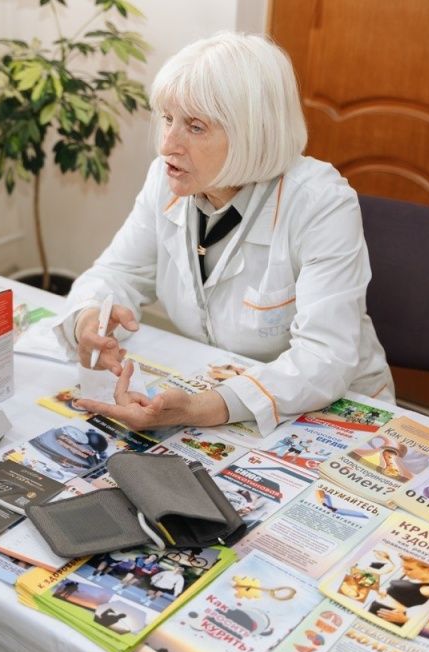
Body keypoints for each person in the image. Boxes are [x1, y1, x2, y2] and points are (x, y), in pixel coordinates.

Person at [56, 32, 394, 436]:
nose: (167, 145)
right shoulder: (166, 180)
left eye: (195, 127)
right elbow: (118, 273)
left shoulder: (320, 203)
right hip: (224, 398)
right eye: (167, 118)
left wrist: (201, 408)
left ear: (253, 133)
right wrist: (88, 319)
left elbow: (324, 358)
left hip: (336, 412)